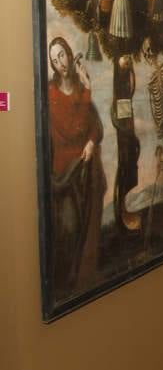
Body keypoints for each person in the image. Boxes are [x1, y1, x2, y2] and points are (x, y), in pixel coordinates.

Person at [47, 37, 106, 298]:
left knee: (87, 222)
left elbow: (93, 127)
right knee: (70, 227)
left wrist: (92, 142)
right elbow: (74, 130)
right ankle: (67, 286)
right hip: (64, 173)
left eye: (63, 55)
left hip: (85, 169)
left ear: (71, 55)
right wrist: (88, 90)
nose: (61, 62)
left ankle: (84, 279)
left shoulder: (81, 91)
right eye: (55, 58)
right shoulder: (52, 93)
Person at [112, 54, 141, 231]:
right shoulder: (119, 95)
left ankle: (125, 207)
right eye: (125, 64)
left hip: (128, 137)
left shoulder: (126, 98)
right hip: (125, 140)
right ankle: (121, 210)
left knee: (131, 165)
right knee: (125, 169)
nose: (128, 64)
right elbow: (116, 117)